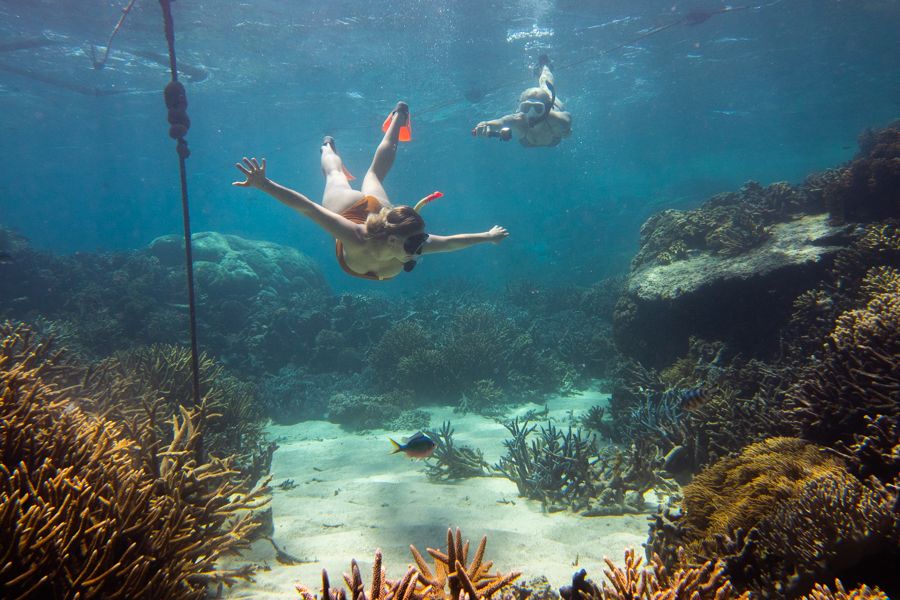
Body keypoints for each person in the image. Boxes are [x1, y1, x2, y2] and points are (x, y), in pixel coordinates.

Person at [233, 102, 509, 281]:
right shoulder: (356, 236)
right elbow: (307, 207)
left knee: (374, 173)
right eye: (415, 245)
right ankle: (327, 146)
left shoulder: (411, 241)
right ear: (391, 241)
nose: (419, 251)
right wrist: (264, 184)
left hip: (382, 211)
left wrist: (488, 236)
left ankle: (399, 116)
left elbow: (452, 242)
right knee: (335, 174)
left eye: (420, 243)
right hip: (349, 209)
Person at [473, 55, 572, 147]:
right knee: (543, 87)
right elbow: (500, 121)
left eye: (538, 108)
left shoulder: (559, 119)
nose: (531, 113)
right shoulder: (517, 119)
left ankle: (545, 66)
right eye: (526, 107)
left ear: (547, 108)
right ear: (520, 107)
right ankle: (542, 70)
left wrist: (567, 131)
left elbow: (568, 118)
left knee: (545, 84)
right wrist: (484, 124)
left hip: (553, 103)